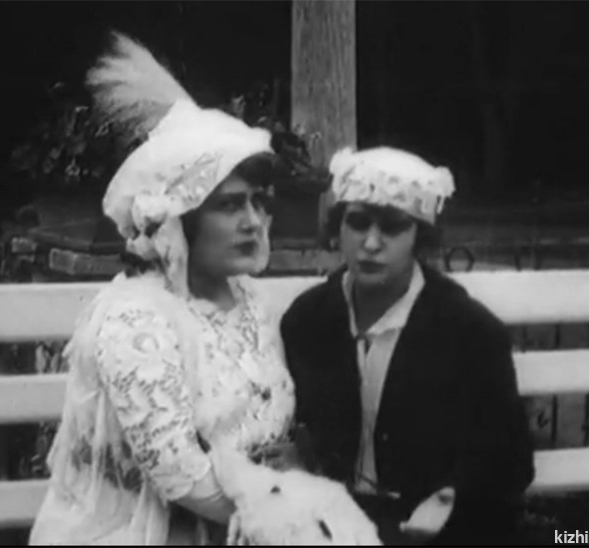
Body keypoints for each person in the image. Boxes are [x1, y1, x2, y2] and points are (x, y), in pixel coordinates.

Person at [29, 33, 378, 546]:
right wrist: (300, 517)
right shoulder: (135, 319)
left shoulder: (249, 301)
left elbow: (270, 431)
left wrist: (292, 471)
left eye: (259, 203)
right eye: (230, 205)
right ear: (179, 218)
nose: (253, 221)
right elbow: (182, 478)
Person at [280, 146, 536, 545]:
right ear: (337, 227)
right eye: (358, 223)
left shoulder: (468, 330)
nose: (371, 243)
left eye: (392, 227)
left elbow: (511, 458)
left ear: (420, 236)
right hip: (331, 524)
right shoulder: (308, 318)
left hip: (434, 529)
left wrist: (452, 496)